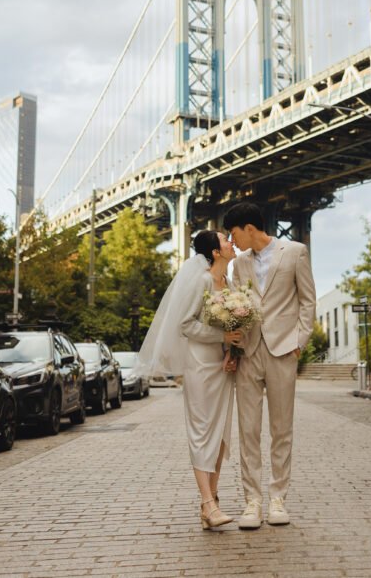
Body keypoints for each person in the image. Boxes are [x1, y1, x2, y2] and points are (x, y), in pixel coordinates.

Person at [136, 230, 243, 530]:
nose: (231, 242)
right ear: (215, 251)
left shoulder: (230, 284)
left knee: (220, 433)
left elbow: (232, 324)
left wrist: (230, 349)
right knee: (201, 432)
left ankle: (212, 502)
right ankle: (208, 503)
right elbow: (186, 324)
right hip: (200, 364)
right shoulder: (202, 281)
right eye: (225, 240)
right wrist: (221, 336)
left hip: (222, 366)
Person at [223, 202, 316, 530]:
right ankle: (253, 501)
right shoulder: (238, 265)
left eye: (234, 234)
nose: (232, 242)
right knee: (248, 430)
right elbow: (239, 307)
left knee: (281, 429)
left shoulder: (295, 252)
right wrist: (231, 342)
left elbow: (308, 302)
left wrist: (298, 344)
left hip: (282, 352)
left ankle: (278, 498)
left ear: (249, 227)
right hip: (249, 353)